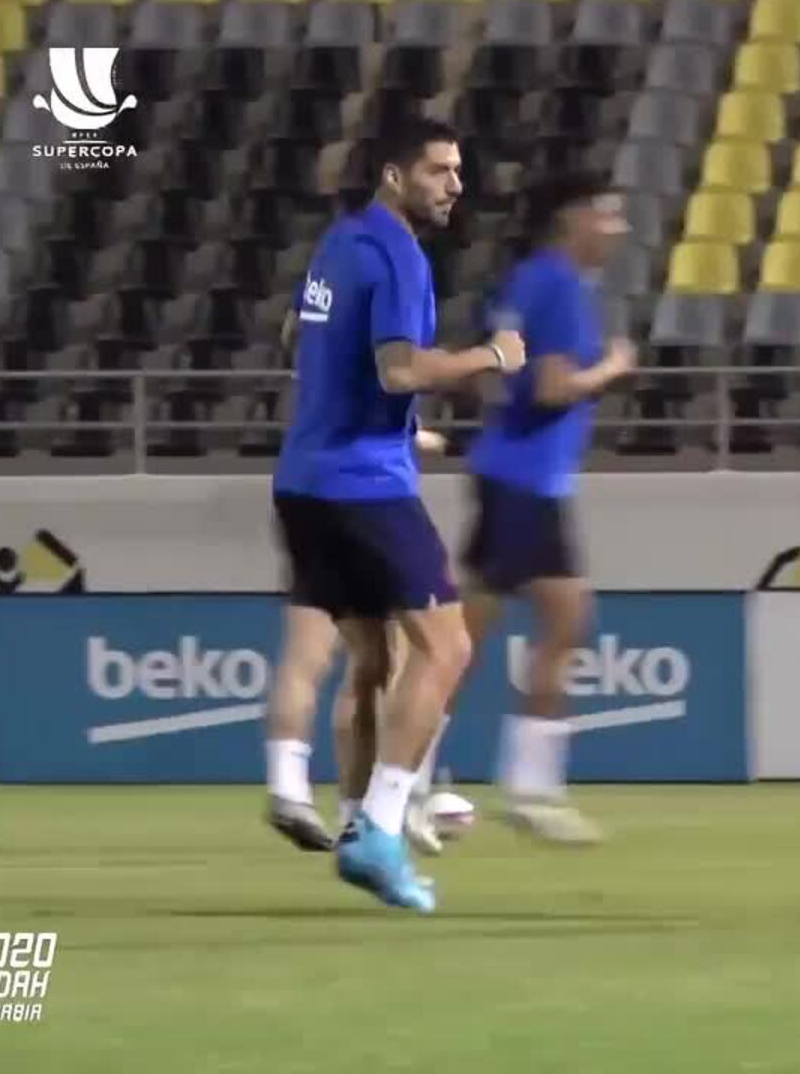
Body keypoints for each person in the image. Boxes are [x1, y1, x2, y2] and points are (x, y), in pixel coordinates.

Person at [272, 119, 526, 912]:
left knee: (374, 662)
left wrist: (359, 413)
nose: (455, 185)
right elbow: (399, 370)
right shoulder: (398, 254)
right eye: (439, 170)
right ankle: (383, 828)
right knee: (447, 647)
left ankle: (355, 821)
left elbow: (295, 337)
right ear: (394, 175)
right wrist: (491, 357)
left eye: (458, 170)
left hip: (303, 482)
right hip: (364, 486)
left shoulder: (338, 244)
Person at [457, 173, 634, 844]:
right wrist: (612, 368)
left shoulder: (527, 280)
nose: (617, 229)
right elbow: (554, 388)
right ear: (573, 217)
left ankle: (412, 777)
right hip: (527, 481)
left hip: (511, 475)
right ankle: (526, 788)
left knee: (468, 635)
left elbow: (491, 375)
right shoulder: (558, 284)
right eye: (607, 215)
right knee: (555, 619)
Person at [265, 429, 461, 857]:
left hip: (303, 494)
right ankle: (385, 809)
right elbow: (387, 396)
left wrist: (415, 434)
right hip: (368, 497)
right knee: (434, 651)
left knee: (357, 662)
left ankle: (295, 789)